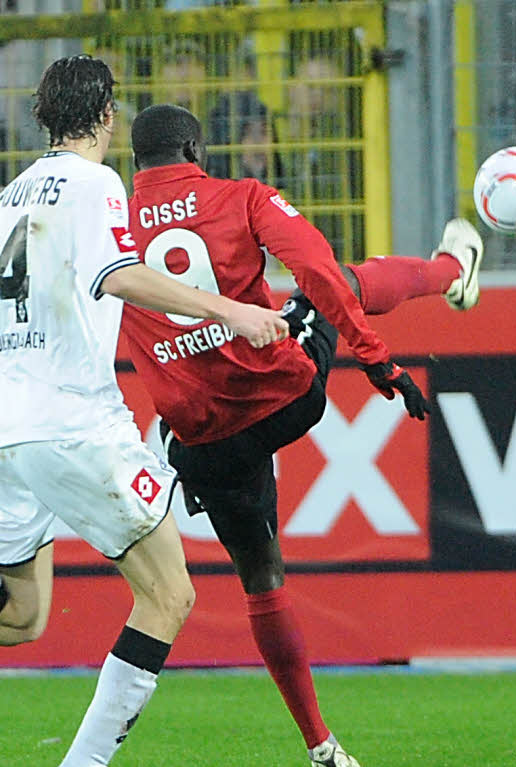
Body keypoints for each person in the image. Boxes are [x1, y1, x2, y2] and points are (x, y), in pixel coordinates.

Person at [121, 102, 483, 767]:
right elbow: (311, 265)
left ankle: (322, 746)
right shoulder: (241, 195)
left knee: (262, 579)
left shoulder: (109, 234)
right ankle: (451, 270)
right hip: (284, 397)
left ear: (133, 163)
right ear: (195, 151)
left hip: (205, 443)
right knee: (335, 282)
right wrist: (377, 358)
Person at [0, 55, 289, 766]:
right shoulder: (98, 183)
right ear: (107, 116)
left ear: (43, 115)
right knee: (168, 595)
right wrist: (230, 308)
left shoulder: (9, 195)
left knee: (24, 615)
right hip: (71, 424)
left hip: (8, 426)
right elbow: (120, 275)